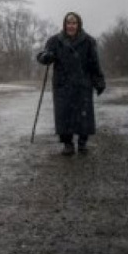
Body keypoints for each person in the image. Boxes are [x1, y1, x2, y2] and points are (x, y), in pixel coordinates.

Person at [37, 12, 106, 156]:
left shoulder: (89, 41)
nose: (71, 26)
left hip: (83, 84)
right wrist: (46, 57)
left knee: (84, 115)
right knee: (64, 114)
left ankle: (82, 144)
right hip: (63, 84)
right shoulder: (55, 41)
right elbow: (43, 56)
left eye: (74, 23)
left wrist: (99, 80)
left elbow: (94, 63)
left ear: (79, 24)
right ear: (64, 24)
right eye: (69, 23)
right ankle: (67, 144)